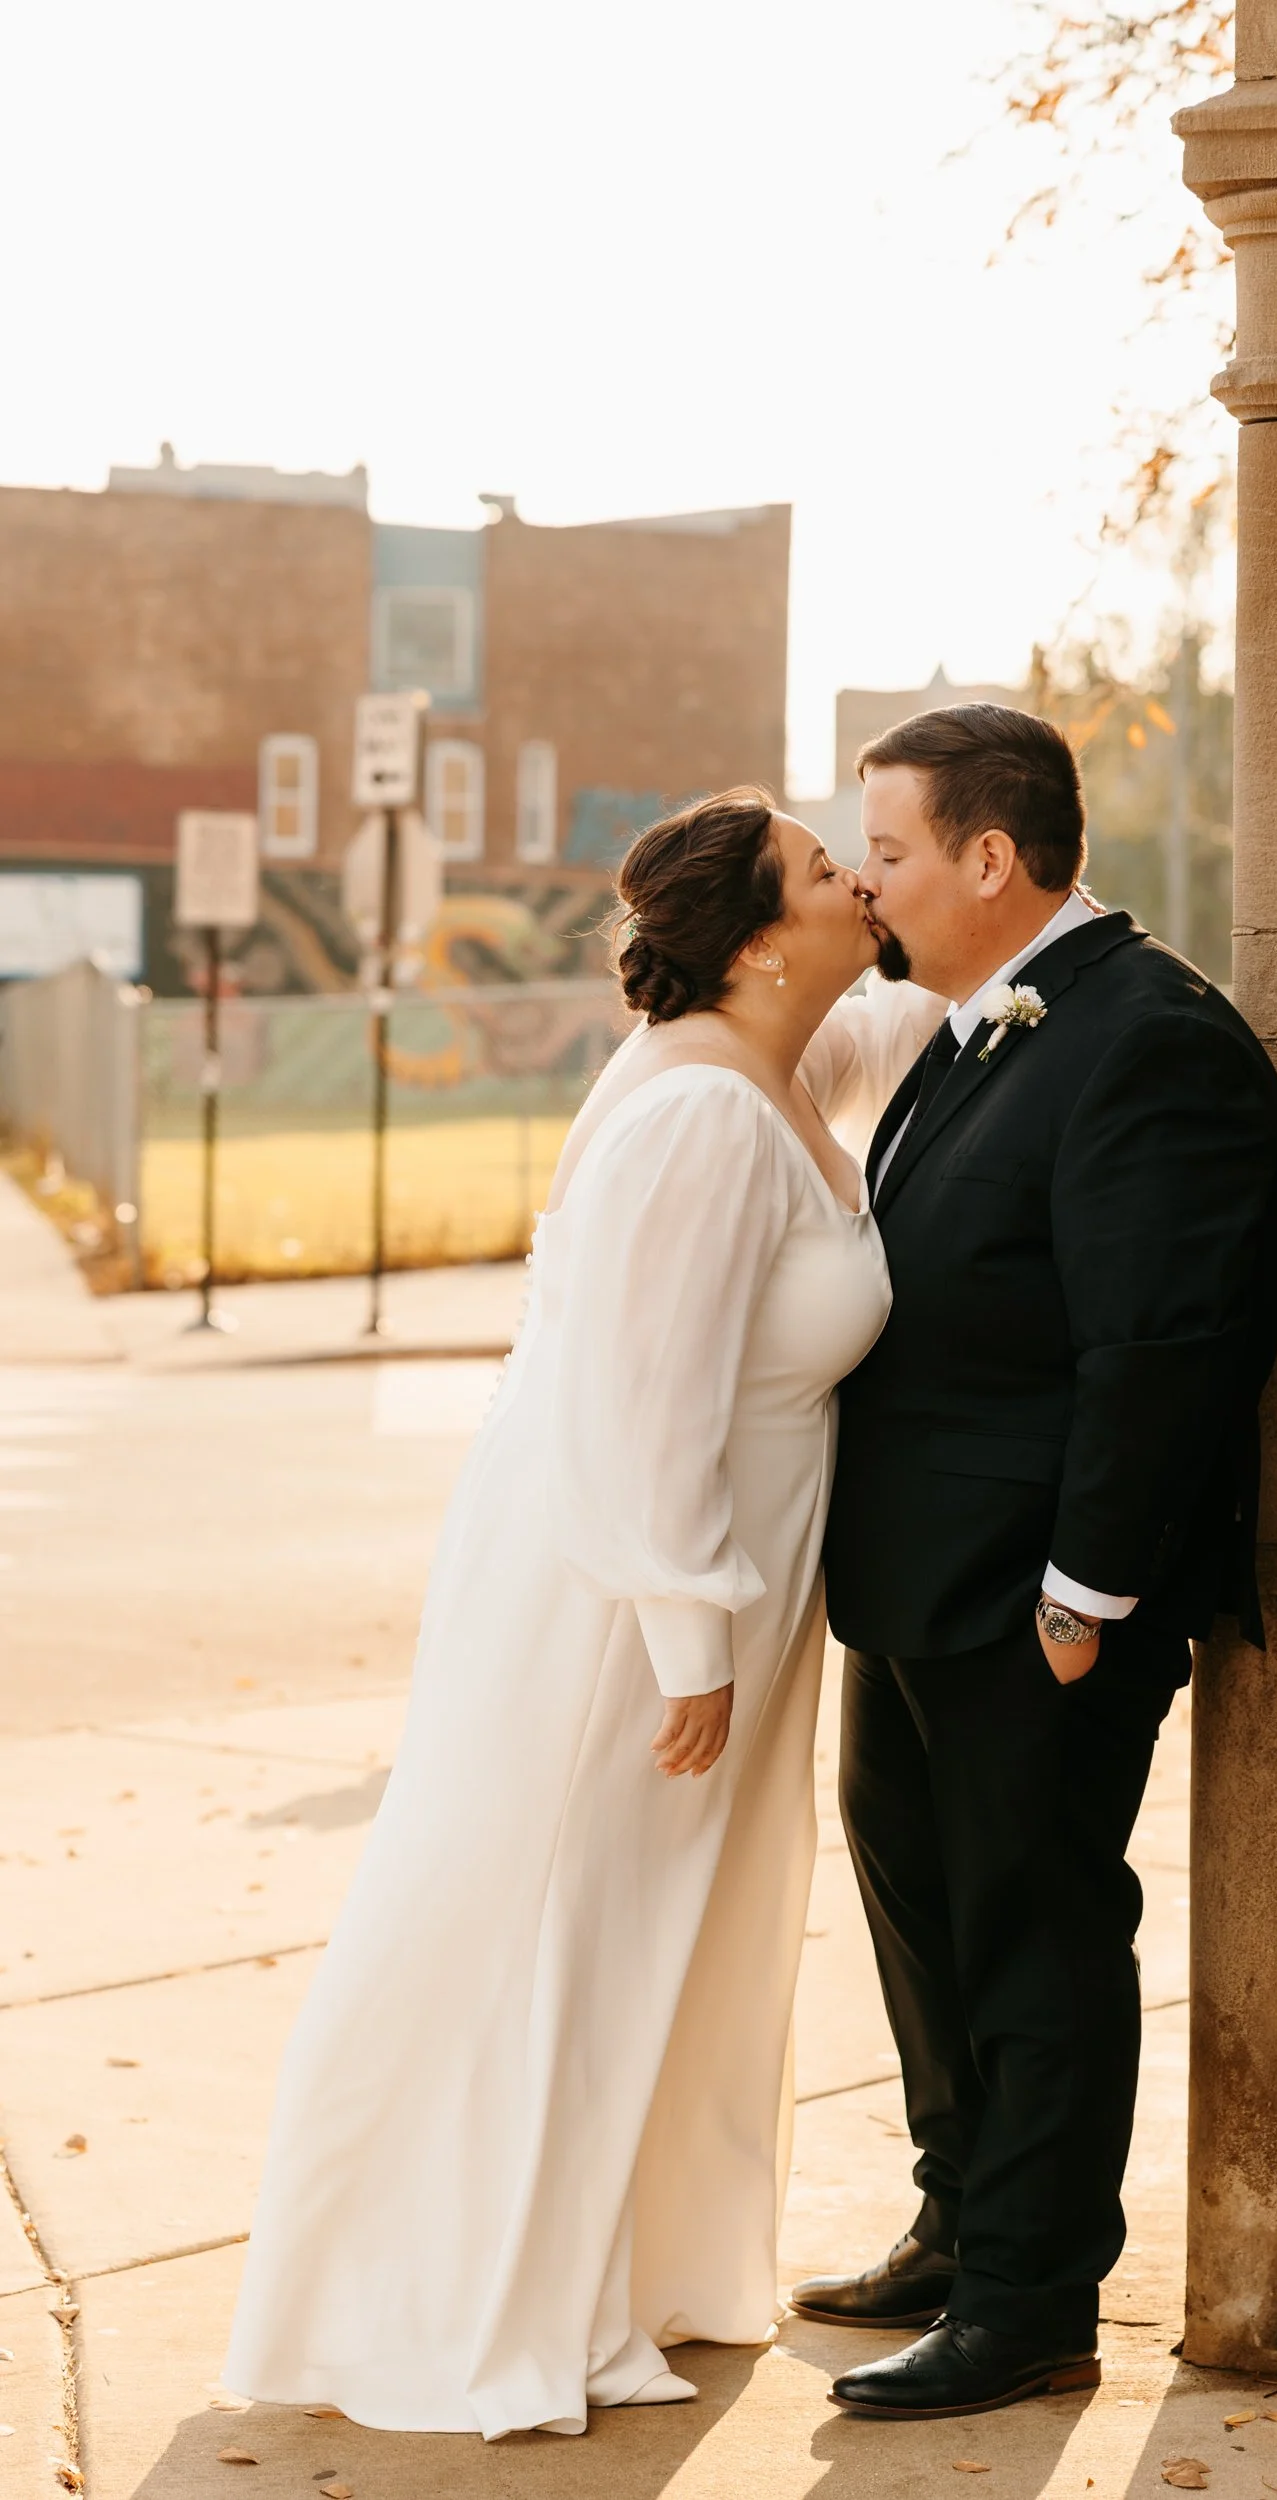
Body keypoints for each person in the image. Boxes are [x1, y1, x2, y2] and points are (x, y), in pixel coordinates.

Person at [224, 789, 940, 2439]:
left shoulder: (777, 1061)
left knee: (665, 1931)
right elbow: (638, 1399)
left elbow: (918, 1004)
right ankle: (491, 2293)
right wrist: (687, 1636)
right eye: (825, 869)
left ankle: (628, 2264)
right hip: (639, 1600)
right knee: (580, 1923)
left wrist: (1008, 900)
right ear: (756, 942)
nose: (856, 880)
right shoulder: (699, 1115)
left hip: (717, 1574)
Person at [791, 703, 1277, 2422]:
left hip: (1038, 1599)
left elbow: (1161, 1346)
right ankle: (960, 2217)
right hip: (919, 1583)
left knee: (1036, 1931)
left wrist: (1086, 1597)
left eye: (889, 851)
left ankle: (1029, 2298)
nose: (868, 882)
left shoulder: (1149, 1038)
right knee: (925, 1908)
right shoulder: (984, 1023)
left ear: (991, 858)